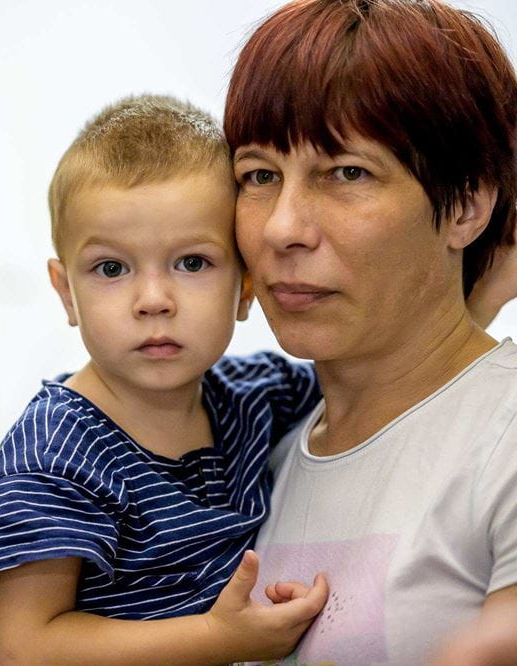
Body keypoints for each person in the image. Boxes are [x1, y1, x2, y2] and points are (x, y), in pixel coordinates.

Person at [0, 95, 330, 665]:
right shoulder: (52, 458)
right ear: (67, 293)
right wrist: (220, 639)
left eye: (192, 263)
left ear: (246, 287)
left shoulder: (259, 397)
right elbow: (26, 649)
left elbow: (388, 375)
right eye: (112, 269)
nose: (154, 300)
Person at [223, 0, 517, 662]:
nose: (281, 227)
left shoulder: (504, 437)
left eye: (347, 172)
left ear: (467, 203)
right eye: (258, 176)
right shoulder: (252, 460)